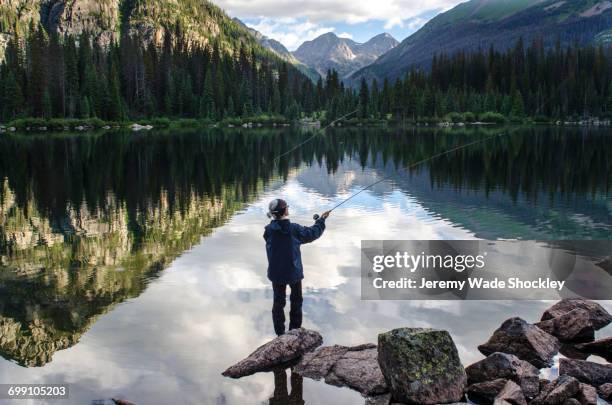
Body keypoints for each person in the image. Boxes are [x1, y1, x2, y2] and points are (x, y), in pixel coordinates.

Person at [263, 199, 330, 336]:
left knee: (278, 303)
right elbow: (313, 233)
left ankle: (280, 335)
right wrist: (321, 221)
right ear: (285, 211)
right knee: (296, 301)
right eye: (287, 207)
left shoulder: (268, 230)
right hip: (293, 272)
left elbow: (271, 236)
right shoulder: (294, 229)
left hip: (276, 273)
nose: (288, 208)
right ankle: (294, 332)